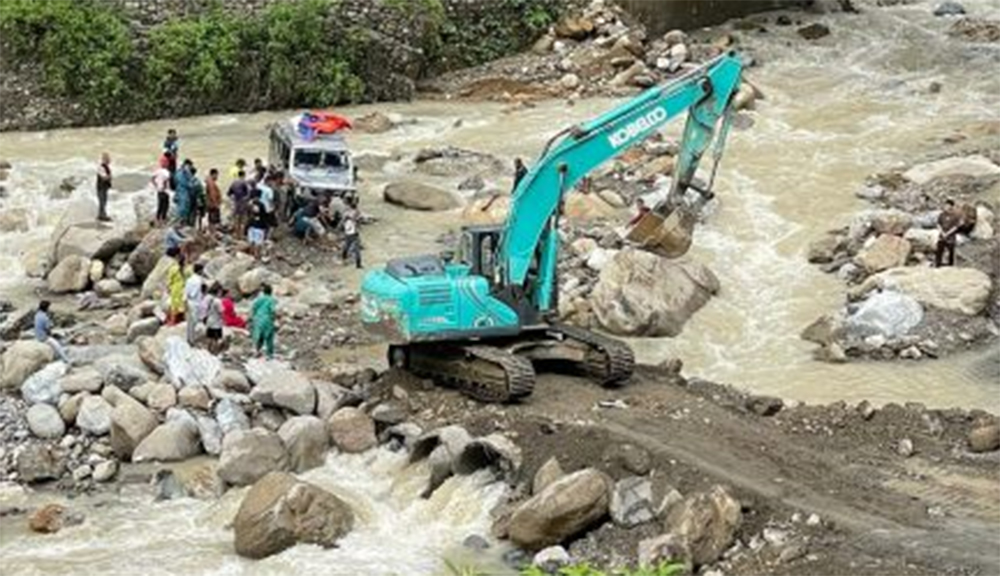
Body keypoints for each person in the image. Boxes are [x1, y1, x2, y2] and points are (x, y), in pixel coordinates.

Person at [251, 283, 277, 359]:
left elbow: (254, 308)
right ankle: (269, 354)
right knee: (269, 337)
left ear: (263, 292)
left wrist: (254, 317)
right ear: (271, 292)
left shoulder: (259, 299)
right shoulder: (271, 300)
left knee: (259, 336)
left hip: (258, 319)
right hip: (267, 320)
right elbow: (273, 311)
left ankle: (257, 351)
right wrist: (274, 319)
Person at [935, 199, 964, 267]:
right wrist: (942, 232)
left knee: (951, 251)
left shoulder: (955, 216)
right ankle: (938, 263)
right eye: (945, 205)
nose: (945, 207)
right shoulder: (942, 215)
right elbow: (938, 224)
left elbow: (956, 227)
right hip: (942, 235)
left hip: (951, 236)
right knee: (939, 249)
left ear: (951, 206)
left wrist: (948, 233)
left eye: (947, 205)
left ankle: (951, 265)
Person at [184, 262, 205, 344]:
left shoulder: (189, 279)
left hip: (189, 301)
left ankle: (189, 338)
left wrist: (185, 301)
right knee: (195, 322)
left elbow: (185, 292)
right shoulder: (199, 280)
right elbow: (199, 292)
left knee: (189, 322)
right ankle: (193, 340)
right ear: (200, 271)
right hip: (196, 302)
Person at [165, 247, 186, 325]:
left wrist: (168, 287)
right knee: (181, 304)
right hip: (182, 287)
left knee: (174, 305)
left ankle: (172, 321)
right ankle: (181, 319)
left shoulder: (173, 268)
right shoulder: (183, 267)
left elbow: (169, 279)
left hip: (175, 288)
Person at [203, 284, 225, 354]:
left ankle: (208, 350)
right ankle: (215, 352)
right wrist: (224, 320)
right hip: (216, 323)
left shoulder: (209, 299)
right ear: (218, 291)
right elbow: (221, 311)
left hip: (209, 321)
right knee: (216, 338)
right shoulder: (218, 301)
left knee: (209, 337)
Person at [228, 170, 251, 236]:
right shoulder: (245, 183)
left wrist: (233, 199)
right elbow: (248, 194)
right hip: (243, 203)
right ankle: (241, 234)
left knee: (236, 218)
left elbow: (229, 193)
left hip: (236, 203)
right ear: (244, 175)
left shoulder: (234, 183)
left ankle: (236, 234)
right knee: (243, 220)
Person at [341, 198, 362, 268]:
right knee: (357, 250)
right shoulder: (355, 213)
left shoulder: (346, 213)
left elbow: (343, 221)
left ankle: (344, 258)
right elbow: (357, 220)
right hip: (353, 234)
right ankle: (358, 264)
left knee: (346, 246)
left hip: (347, 233)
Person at [174, 159, 194, 225]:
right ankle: (181, 221)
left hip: (179, 191)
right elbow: (189, 183)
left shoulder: (178, 172)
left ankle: (181, 221)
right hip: (183, 191)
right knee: (183, 207)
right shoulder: (185, 172)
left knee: (181, 207)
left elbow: (175, 182)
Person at [153, 161, 172, 226]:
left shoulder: (158, 171)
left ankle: (157, 218)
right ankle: (163, 219)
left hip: (159, 190)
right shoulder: (167, 172)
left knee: (160, 205)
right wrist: (164, 186)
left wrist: (156, 185)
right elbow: (166, 180)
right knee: (165, 205)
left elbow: (152, 178)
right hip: (165, 191)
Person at [96, 152, 113, 222]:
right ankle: (101, 215)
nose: (110, 160)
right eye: (108, 159)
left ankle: (102, 214)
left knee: (104, 200)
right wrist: (109, 177)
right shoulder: (101, 167)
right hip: (101, 187)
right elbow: (103, 177)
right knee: (102, 201)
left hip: (104, 187)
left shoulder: (106, 167)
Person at [205, 168, 222, 233]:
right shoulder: (211, 183)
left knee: (211, 219)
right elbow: (213, 195)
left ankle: (212, 232)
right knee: (213, 220)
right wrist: (216, 204)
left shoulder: (209, 182)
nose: (217, 177)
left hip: (210, 204)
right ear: (213, 174)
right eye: (216, 175)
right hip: (213, 204)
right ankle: (213, 233)